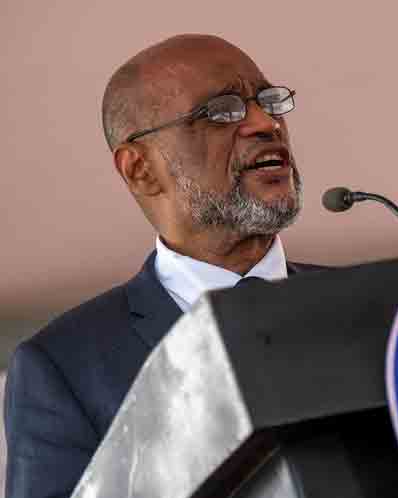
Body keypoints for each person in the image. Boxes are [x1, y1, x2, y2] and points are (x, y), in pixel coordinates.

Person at [4, 34, 320, 498]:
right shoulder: (66, 367)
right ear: (140, 169)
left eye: (268, 101)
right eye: (221, 112)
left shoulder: (376, 310)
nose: (265, 123)